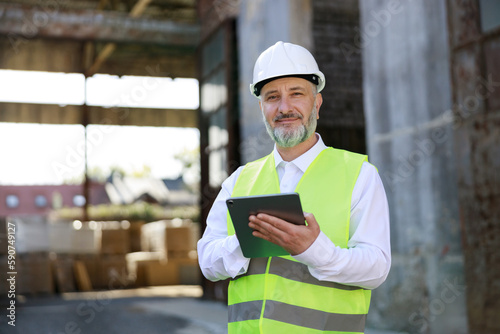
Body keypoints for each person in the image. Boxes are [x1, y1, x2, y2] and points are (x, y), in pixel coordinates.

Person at [197, 41, 391, 333]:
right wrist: (247, 241)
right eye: (272, 97)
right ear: (262, 107)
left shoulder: (359, 174)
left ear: (317, 103)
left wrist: (315, 250)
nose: (284, 107)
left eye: (296, 94)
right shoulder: (239, 180)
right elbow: (207, 262)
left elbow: (376, 268)